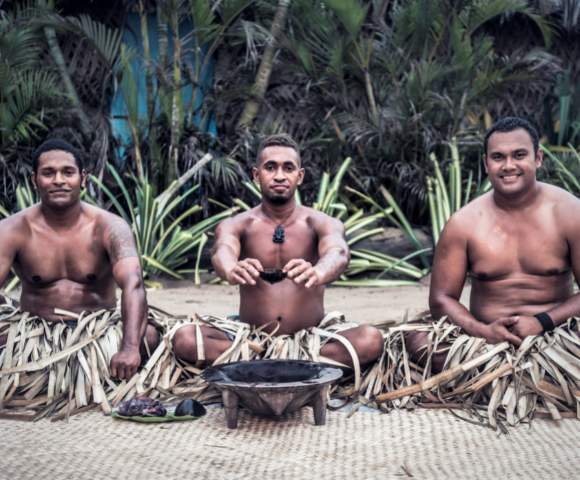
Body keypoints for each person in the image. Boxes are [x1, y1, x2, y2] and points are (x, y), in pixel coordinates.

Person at [172, 134, 384, 371]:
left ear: (299, 176)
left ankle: (270, 367)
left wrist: (318, 271)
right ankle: (284, 367)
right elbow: (222, 250)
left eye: (288, 168)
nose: (280, 175)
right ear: (256, 175)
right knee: (185, 339)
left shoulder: (321, 222)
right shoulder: (238, 224)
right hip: (251, 341)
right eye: (270, 167)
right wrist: (231, 268)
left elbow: (338, 252)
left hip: (311, 342)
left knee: (370, 340)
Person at [406, 116, 580, 372]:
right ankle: (496, 375)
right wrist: (483, 331)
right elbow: (441, 299)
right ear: (486, 163)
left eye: (519, 155)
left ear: (538, 158)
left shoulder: (570, 213)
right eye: (498, 157)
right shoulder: (464, 223)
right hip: (483, 342)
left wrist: (542, 322)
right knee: (415, 341)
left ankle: (528, 378)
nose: (509, 165)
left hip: (558, 335)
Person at [0, 139, 159, 395]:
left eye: (68, 172)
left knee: (148, 337)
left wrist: (130, 347)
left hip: (97, 330)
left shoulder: (110, 227)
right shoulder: (12, 229)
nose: (59, 180)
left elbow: (134, 284)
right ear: (34, 180)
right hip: (34, 332)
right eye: (48, 173)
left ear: (83, 179)